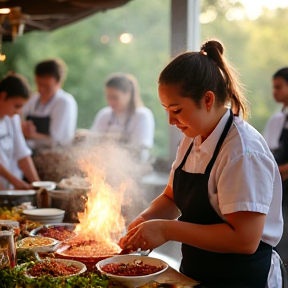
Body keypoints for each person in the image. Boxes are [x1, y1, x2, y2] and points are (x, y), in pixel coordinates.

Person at [119, 40, 283, 288]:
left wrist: (166, 230)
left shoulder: (242, 151)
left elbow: (244, 240)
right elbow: (171, 198)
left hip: (242, 278)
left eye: (176, 110)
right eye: (166, 110)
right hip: (195, 273)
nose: (171, 121)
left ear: (207, 100)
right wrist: (141, 224)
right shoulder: (192, 138)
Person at [90, 73, 155, 161]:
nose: (111, 101)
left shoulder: (142, 115)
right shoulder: (104, 114)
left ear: (128, 94)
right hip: (105, 165)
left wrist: (108, 139)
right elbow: (92, 141)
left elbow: (139, 148)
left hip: (135, 167)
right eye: (108, 97)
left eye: (115, 97)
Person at [21, 59, 78, 150]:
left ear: (58, 82)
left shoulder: (64, 102)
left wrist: (31, 135)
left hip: (53, 156)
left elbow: (57, 141)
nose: (41, 90)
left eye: (46, 86)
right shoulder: (33, 100)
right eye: (39, 84)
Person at [263, 67, 288, 265]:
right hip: (279, 189)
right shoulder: (277, 119)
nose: (275, 92)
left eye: (279, 87)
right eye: (273, 87)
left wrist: (276, 173)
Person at [0, 74, 40, 189]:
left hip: (9, 187)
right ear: (3, 96)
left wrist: (38, 185)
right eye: (16, 106)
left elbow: (22, 154)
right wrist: (15, 181)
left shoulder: (13, 119)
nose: (18, 111)